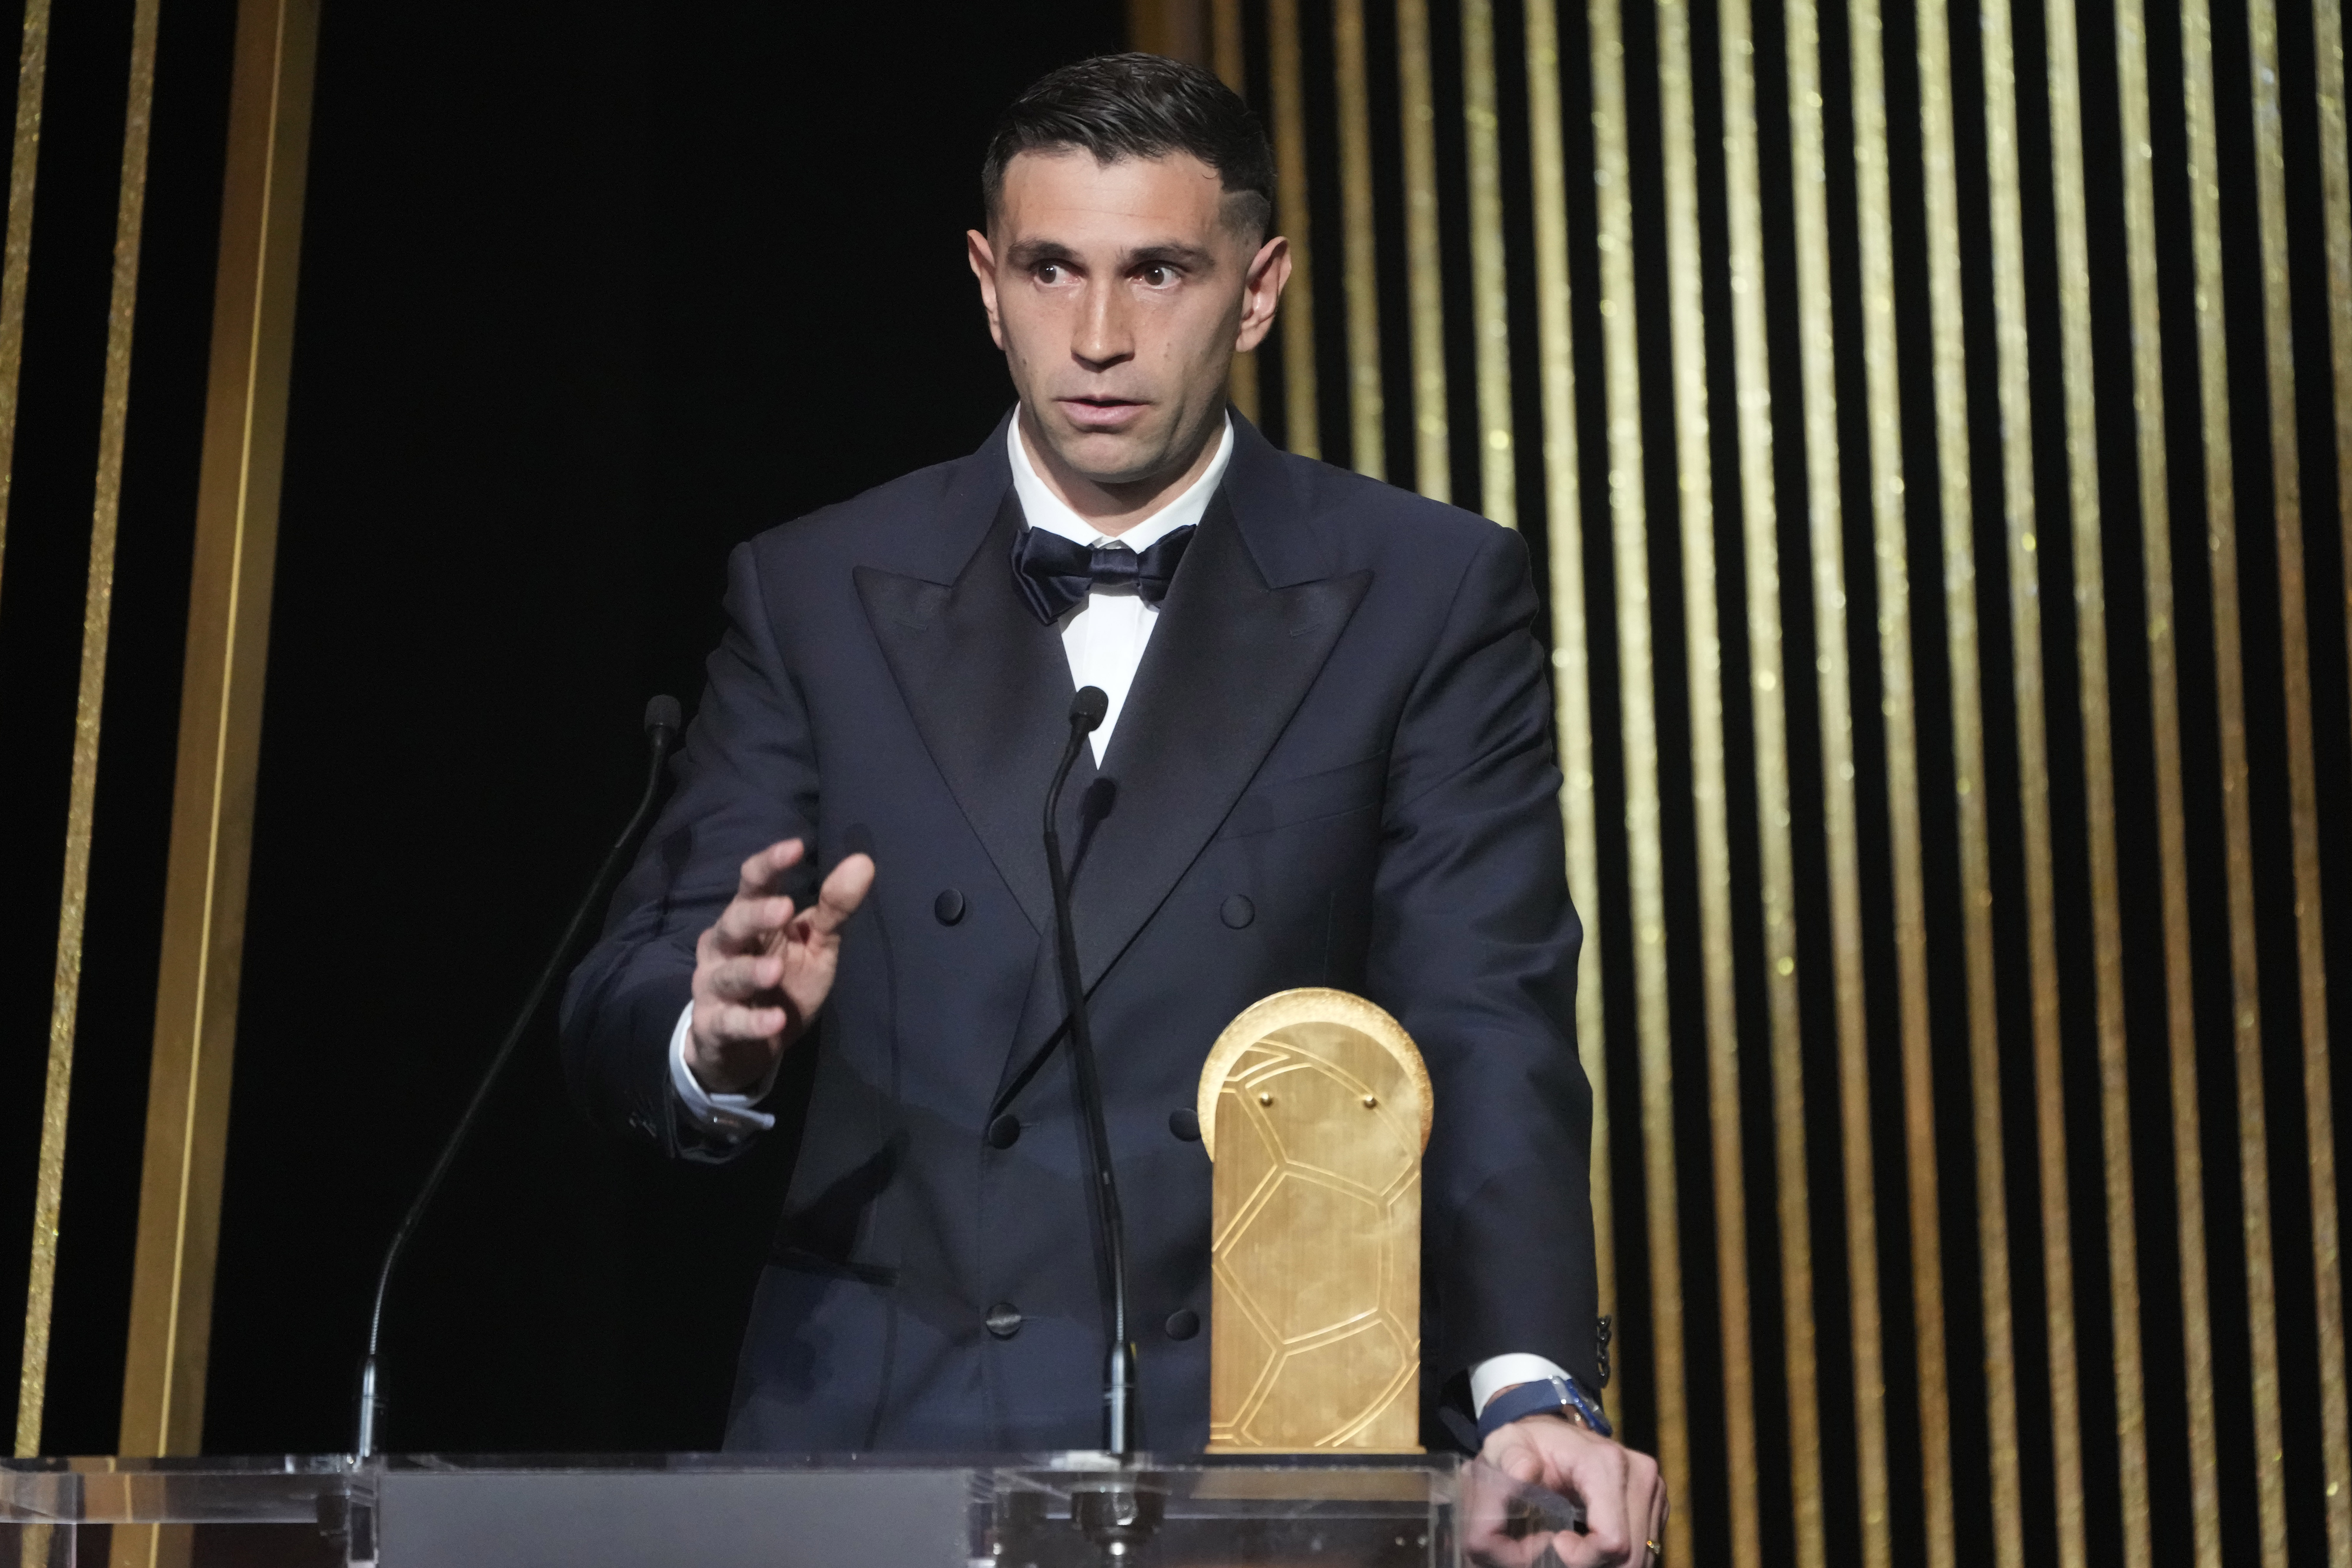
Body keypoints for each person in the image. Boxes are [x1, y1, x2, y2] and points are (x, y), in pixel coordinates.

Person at [560, 52, 1666, 1565]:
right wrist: (715, 1033)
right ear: (985, 281)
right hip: (885, 1447)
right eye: (1051, 269)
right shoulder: (816, 587)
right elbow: (628, 987)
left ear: (1258, 289)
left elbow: (1486, 1011)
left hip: (1263, 1445)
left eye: (1158, 272)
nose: (1098, 336)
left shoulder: (1424, 590)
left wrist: (1533, 1381)